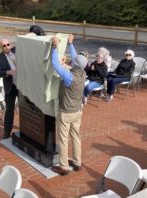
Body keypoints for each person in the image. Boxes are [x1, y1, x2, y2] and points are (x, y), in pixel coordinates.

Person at [51, 34, 87, 175]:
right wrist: (71, 44)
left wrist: (54, 47)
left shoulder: (69, 77)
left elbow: (55, 64)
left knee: (63, 140)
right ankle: (77, 163)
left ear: (74, 64)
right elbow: (77, 59)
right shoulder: (83, 73)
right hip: (77, 112)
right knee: (76, 137)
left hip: (66, 113)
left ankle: (64, 166)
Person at [0, 39, 18, 139]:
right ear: (1, 47)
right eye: (4, 46)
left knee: (26, 108)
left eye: (8, 44)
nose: (7, 47)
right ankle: (7, 132)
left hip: (21, 86)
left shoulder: (17, 51)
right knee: (9, 110)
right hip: (10, 87)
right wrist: (8, 72)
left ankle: (28, 131)